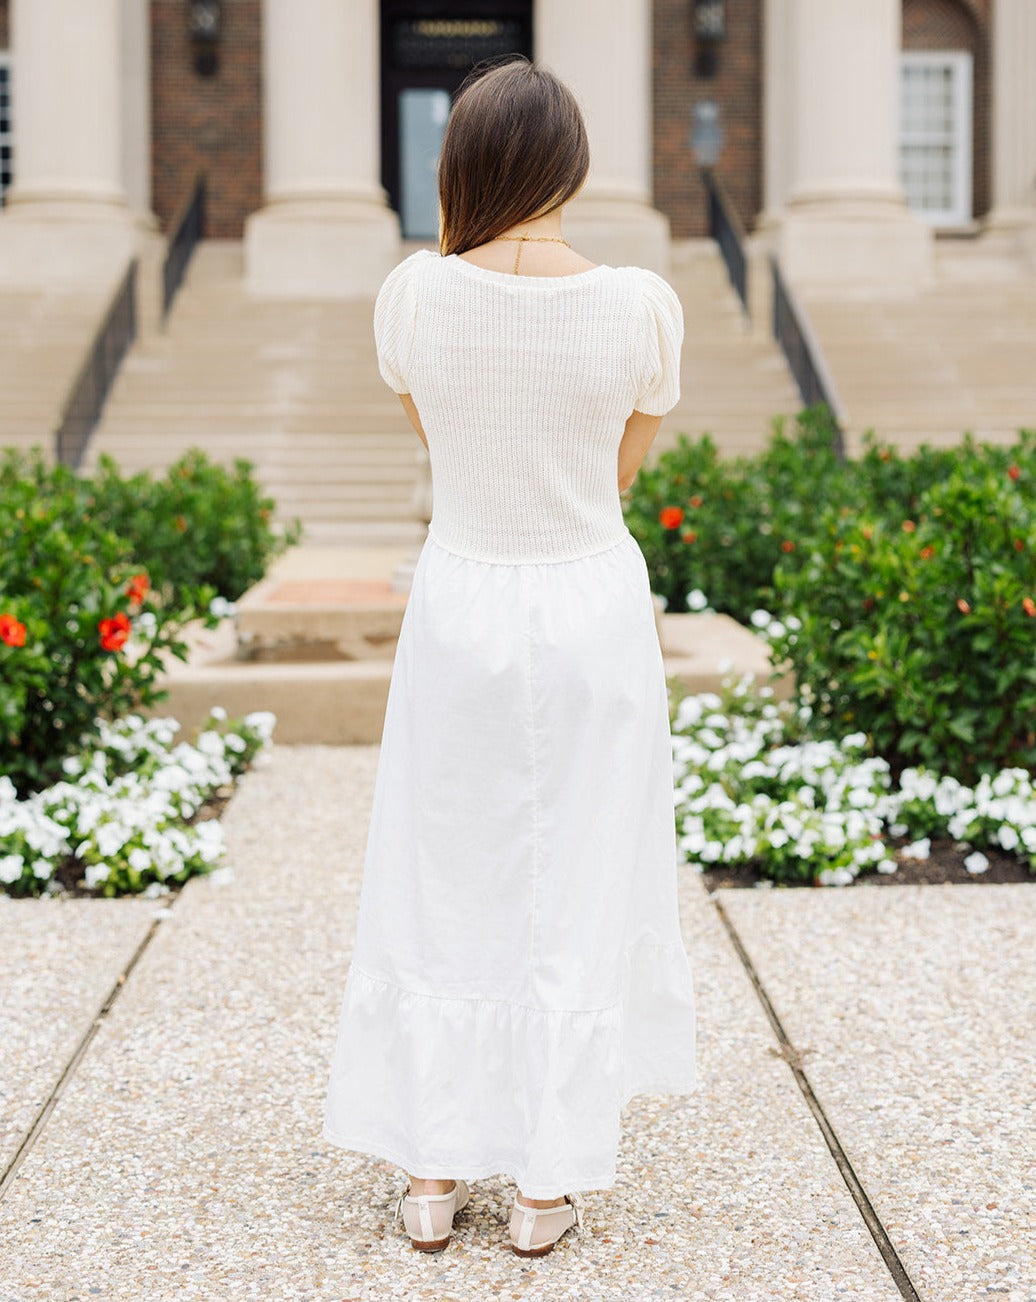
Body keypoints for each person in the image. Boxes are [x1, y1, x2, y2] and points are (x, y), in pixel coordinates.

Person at [322, 54, 696, 1259]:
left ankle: (431, 1177)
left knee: (442, 874)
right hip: (588, 602)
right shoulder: (641, 303)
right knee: (582, 874)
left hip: (464, 600)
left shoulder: (411, 297)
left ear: (459, 162)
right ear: (571, 166)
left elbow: (444, 437)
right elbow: (612, 478)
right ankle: (544, 1185)